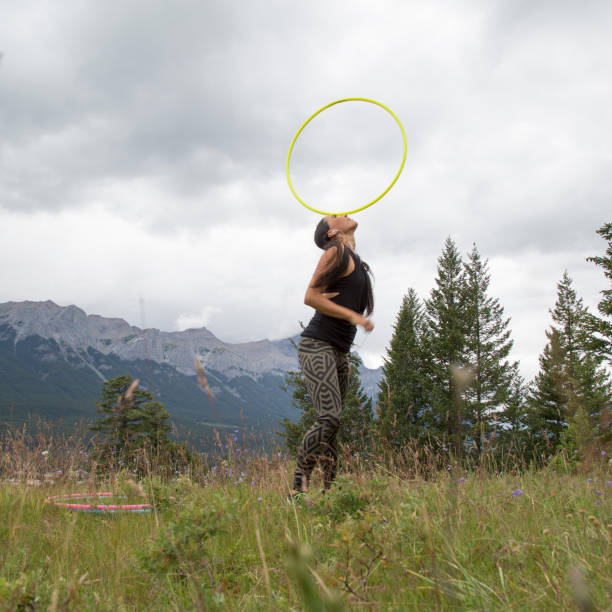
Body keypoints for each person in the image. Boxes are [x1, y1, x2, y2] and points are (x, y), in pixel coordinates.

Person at [290, 214, 374, 500]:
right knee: (328, 418)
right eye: (334, 216)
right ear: (332, 233)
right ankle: (298, 490)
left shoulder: (354, 260)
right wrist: (353, 316)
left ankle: (332, 494)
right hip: (317, 345)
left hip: (340, 351)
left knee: (332, 428)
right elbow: (311, 297)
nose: (344, 213)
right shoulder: (334, 252)